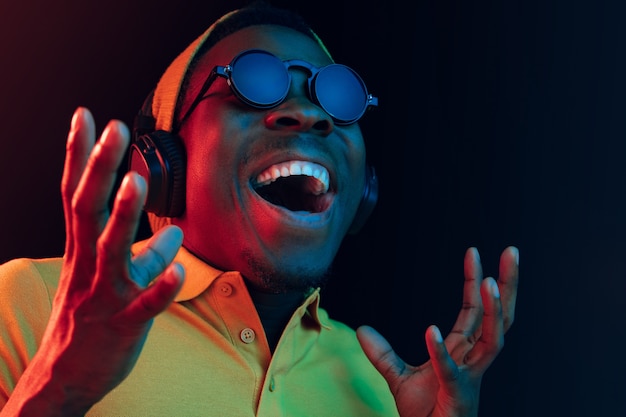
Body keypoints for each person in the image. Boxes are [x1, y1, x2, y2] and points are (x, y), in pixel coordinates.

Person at [0, 2, 519, 416]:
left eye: (336, 97)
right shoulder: (30, 304)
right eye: (254, 83)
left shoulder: (378, 386)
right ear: (162, 166)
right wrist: (54, 395)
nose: (310, 115)